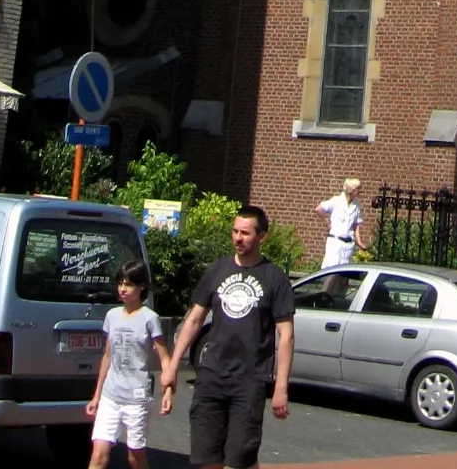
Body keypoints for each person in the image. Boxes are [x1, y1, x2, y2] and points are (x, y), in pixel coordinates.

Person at [161, 206, 293, 469]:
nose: (238, 238)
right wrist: (172, 367)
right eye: (235, 231)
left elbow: (286, 335)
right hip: (211, 375)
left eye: (245, 233)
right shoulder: (217, 270)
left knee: (239, 459)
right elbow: (194, 320)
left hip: (250, 379)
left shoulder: (275, 278)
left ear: (262, 236)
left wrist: (280, 388)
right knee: (207, 458)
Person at [86, 259, 166, 469]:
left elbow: (165, 358)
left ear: (141, 287)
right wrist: (97, 396)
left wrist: (167, 392)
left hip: (136, 400)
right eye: (120, 283)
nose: (122, 289)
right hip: (110, 397)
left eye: (128, 284)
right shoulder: (112, 316)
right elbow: (107, 356)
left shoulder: (150, 318)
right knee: (98, 455)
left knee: (134, 458)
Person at [317, 179, 363, 268]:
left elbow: (356, 225)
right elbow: (319, 209)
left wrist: (359, 241)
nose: (359, 192)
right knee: (331, 269)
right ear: (352, 190)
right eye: (357, 189)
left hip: (348, 243)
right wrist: (327, 224)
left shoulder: (356, 205)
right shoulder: (336, 201)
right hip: (336, 241)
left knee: (345, 272)